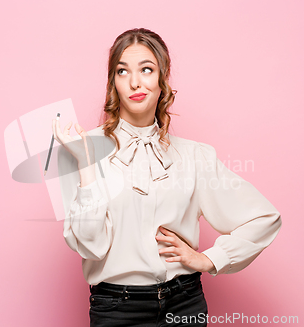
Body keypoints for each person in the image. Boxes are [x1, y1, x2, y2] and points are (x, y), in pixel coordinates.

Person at [52, 28, 282, 327]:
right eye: (123, 71)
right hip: (116, 310)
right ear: (113, 83)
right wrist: (85, 165)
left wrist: (210, 259)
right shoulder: (78, 150)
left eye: (146, 69)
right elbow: (90, 246)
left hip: (184, 305)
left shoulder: (195, 156)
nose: (135, 82)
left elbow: (264, 218)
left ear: (163, 80)